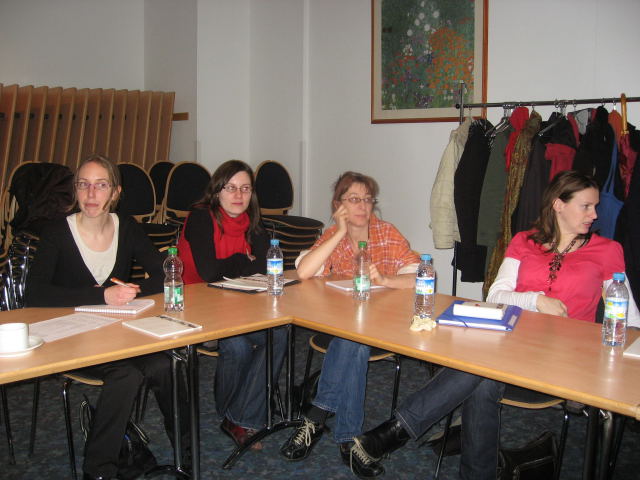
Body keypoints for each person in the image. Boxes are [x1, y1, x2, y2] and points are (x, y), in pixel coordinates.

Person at [350, 170, 640, 480]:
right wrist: (536, 300)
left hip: (567, 357)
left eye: (594, 207)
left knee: (480, 370)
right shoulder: (524, 241)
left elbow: (630, 320)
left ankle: (391, 433)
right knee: (483, 374)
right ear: (558, 205)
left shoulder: (606, 250)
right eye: (586, 206)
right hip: (512, 344)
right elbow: (496, 295)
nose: (595, 215)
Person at [25, 154, 188, 480]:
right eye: (83, 185)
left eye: (101, 185)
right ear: (75, 190)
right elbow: (35, 295)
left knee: (165, 364)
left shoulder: (126, 227)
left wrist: (132, 291)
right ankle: (98, 471)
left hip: (116, 334)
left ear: (115, 192)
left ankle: (186, 453)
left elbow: (164, 275)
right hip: (70, 338)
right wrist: (101, 295)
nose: (91, 194)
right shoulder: (58, 232)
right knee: (126, 375)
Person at [279, 171, 419, 478]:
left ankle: (316, 417)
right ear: (338, 204)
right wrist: (339, 231)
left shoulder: (386, 232)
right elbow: (304, 271)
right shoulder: (334, 235)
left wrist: (386, 280)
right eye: (354, 199)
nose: (362, 206)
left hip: (382, 324)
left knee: (354, 341)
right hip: (342, 327)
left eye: (367, 199)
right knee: (353, 342)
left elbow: (420, 277)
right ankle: (349, 441)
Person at [177, 159, 286, 450]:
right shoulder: (201, 217)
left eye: (245, 189)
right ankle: (237, 413)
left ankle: (238, 415)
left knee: (278, 334)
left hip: (240, 303)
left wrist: (240, 265)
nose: (239, 195)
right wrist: (242, 260)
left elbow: (266, 264)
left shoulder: (253, 222)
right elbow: (208, 272)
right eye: (231, 188)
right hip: (197, 303)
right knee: (237, 345)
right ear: (217, 191)